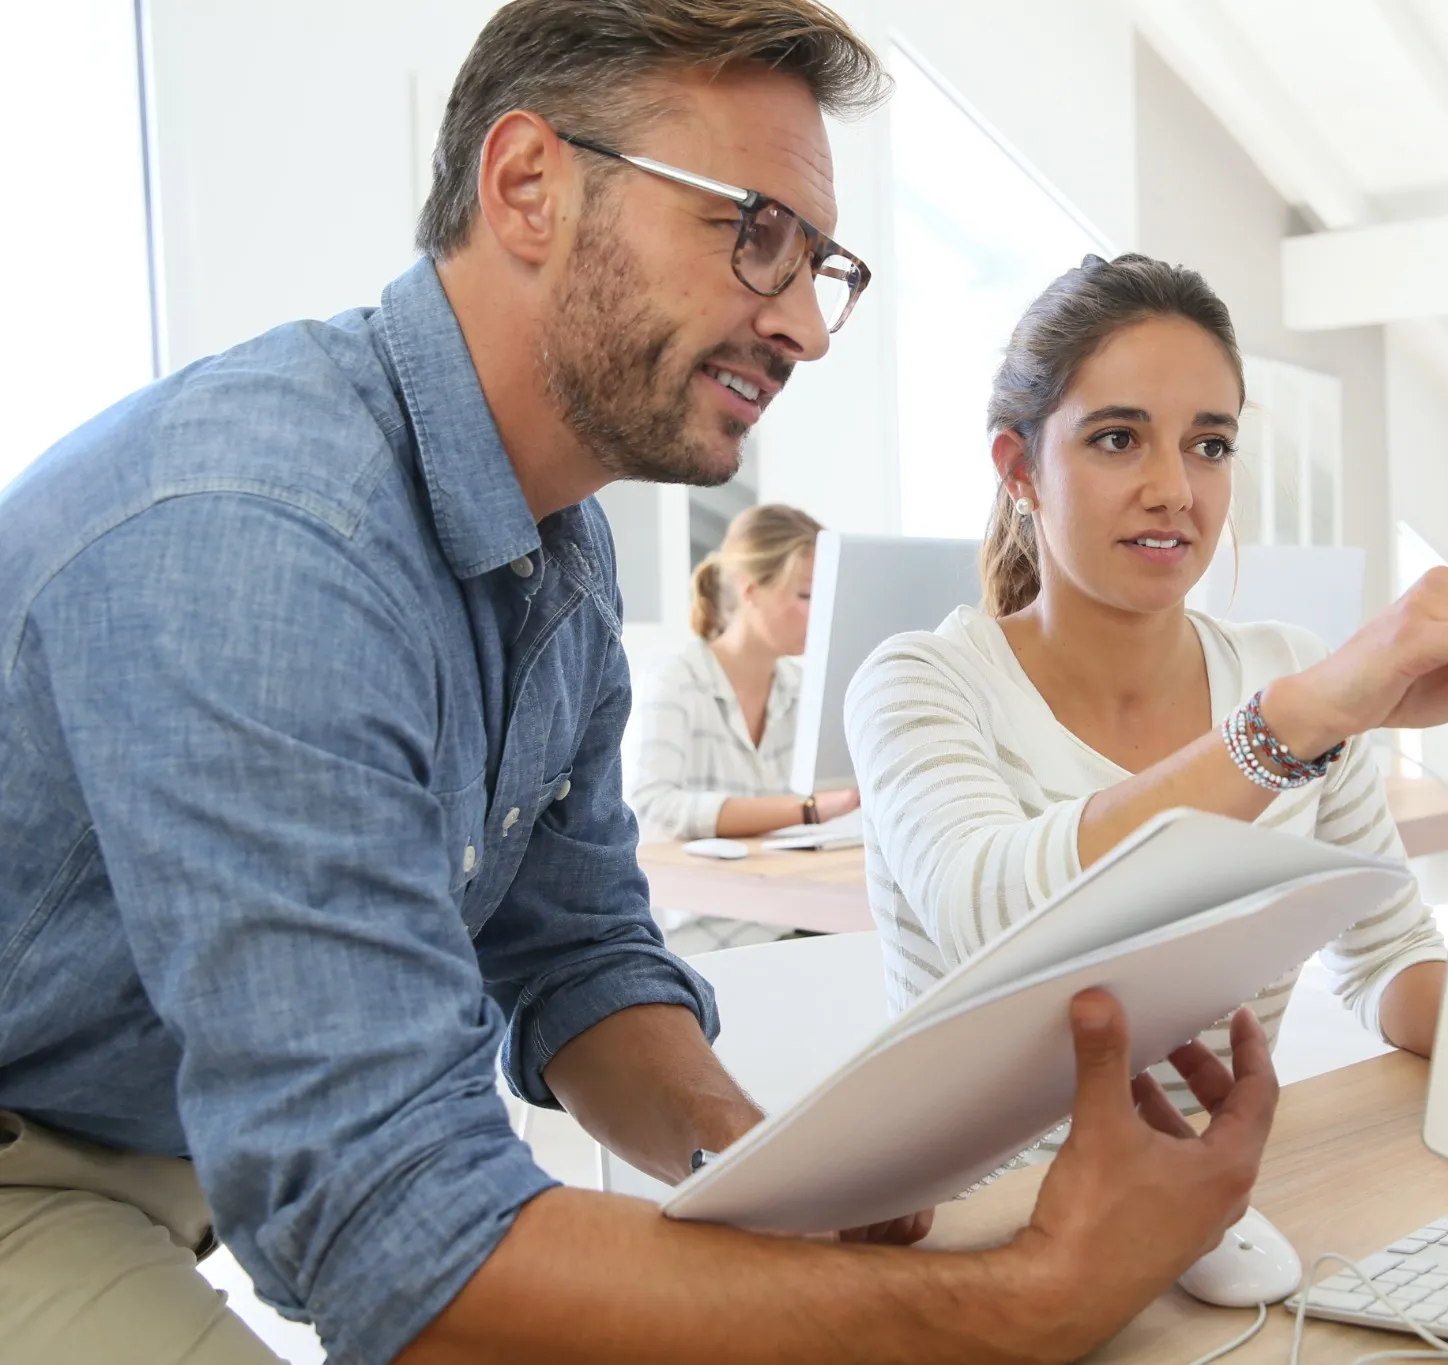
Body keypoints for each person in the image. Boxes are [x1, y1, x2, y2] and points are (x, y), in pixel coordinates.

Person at [0, 6, 1282, 1363]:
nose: (806, 328)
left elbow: (576, 952)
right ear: (527, 186)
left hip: (166, 1156)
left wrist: (768, 1178)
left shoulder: (558, 549)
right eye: (755, 233)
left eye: (819, 265)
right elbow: (393, 1234)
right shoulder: (264, 540)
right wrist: (1023, 1304)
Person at [849, 253, 1448, 1118]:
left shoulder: (1286, 669)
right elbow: (995, 918)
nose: (1174, 491)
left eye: (1210, 446)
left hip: (1227, 1186)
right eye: (1118, 439)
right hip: (999, 1199)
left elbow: (1391, 955)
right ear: (1019, 469)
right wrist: (1292, 723)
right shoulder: (919, 683)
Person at [629, 502, 859, 845]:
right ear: (750, 589)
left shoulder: (803, 691)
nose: (823, 610)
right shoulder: (674, 681)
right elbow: (651, 808)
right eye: (807, 595)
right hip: (693, 880)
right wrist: (808, 809)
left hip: (778, 877)